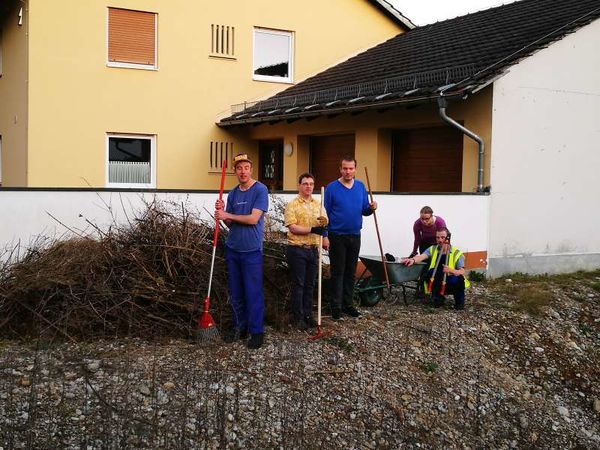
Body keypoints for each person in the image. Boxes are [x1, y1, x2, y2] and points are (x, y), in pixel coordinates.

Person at [215, 154, 269, 349]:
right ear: (235, 171)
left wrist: (227, 214)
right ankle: (239, 327)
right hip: (233, 248)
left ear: (251, 170)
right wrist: (222, 214)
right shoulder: (233, 194)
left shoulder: (260, 190)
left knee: (253, 292)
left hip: (251, 250)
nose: (243, 171)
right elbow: (230, 223)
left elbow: (253, 219)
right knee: (236, 291)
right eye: (239, 168)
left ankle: (256, 332)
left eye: (246, 167)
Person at [324, 156, 377, 320]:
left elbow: (364, 210)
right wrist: (325, 235)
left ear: (355, 169)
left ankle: (348, 305)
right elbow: (324, 214)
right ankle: (336, 307)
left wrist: (372, 208)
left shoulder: (360, 187)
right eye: (345, 168)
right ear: (340, 169)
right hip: (337, 235)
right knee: (338, 272)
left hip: (355, 235)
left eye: (351, 168)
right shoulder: (331, 188)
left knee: (350, 272)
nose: (348, 171)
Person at [284, 173, 329, 330]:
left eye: (311, 184)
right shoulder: (292, 205)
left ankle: (308, 315)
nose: (308, 186)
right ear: (299, 185)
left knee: (310, 284)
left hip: (313, 249)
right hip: (297, 249)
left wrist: (325, 235)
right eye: (305, 183)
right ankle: (298, 317)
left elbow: (324, 223)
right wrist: (313, 229)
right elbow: (292, 227)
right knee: (299, 284)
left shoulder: (318, 204)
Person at [402, 227, 470, 310]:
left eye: (442, 237)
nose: (440, 240)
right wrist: (412, 260)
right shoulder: (433, 249)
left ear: (448, 238)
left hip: (450, 279)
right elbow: (422, 256)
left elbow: (462, 271)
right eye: (437, 237)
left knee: (458, 280)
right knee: (431, 272)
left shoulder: (456, 253)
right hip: (437, 279)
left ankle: (459, 302)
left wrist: (451, 270)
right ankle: (438, 299)